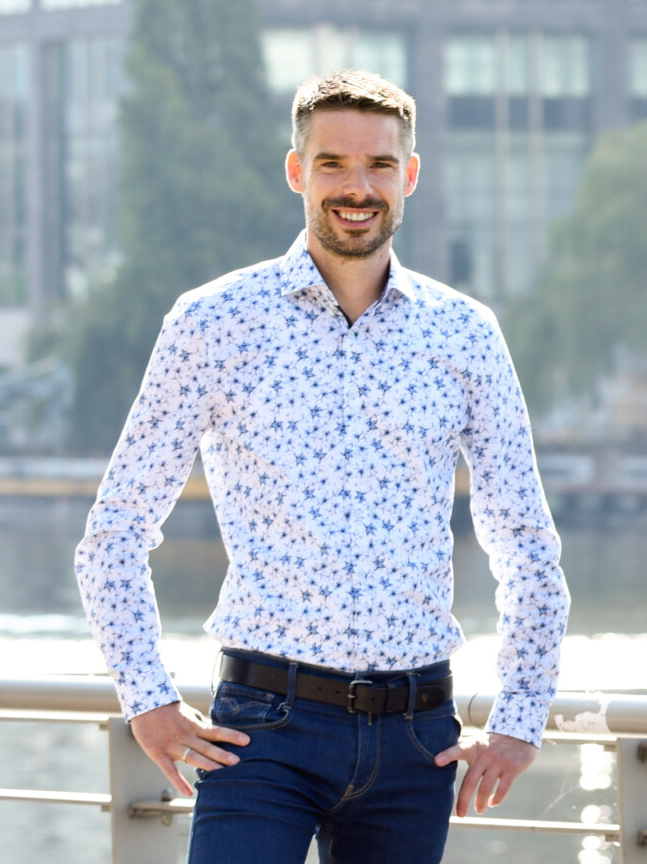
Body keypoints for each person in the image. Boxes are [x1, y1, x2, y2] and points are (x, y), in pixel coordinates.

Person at [74, 70, 569, 864]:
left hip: (418, 740)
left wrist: (519, 717)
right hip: (262, 732)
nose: (357, 187)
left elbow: (525, 541)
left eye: (379, 165)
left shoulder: (465, 334)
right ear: (296, 171)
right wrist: (147, 699)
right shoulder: (213, 322)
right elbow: (116, 531)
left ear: (409, 175)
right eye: (333, 163)